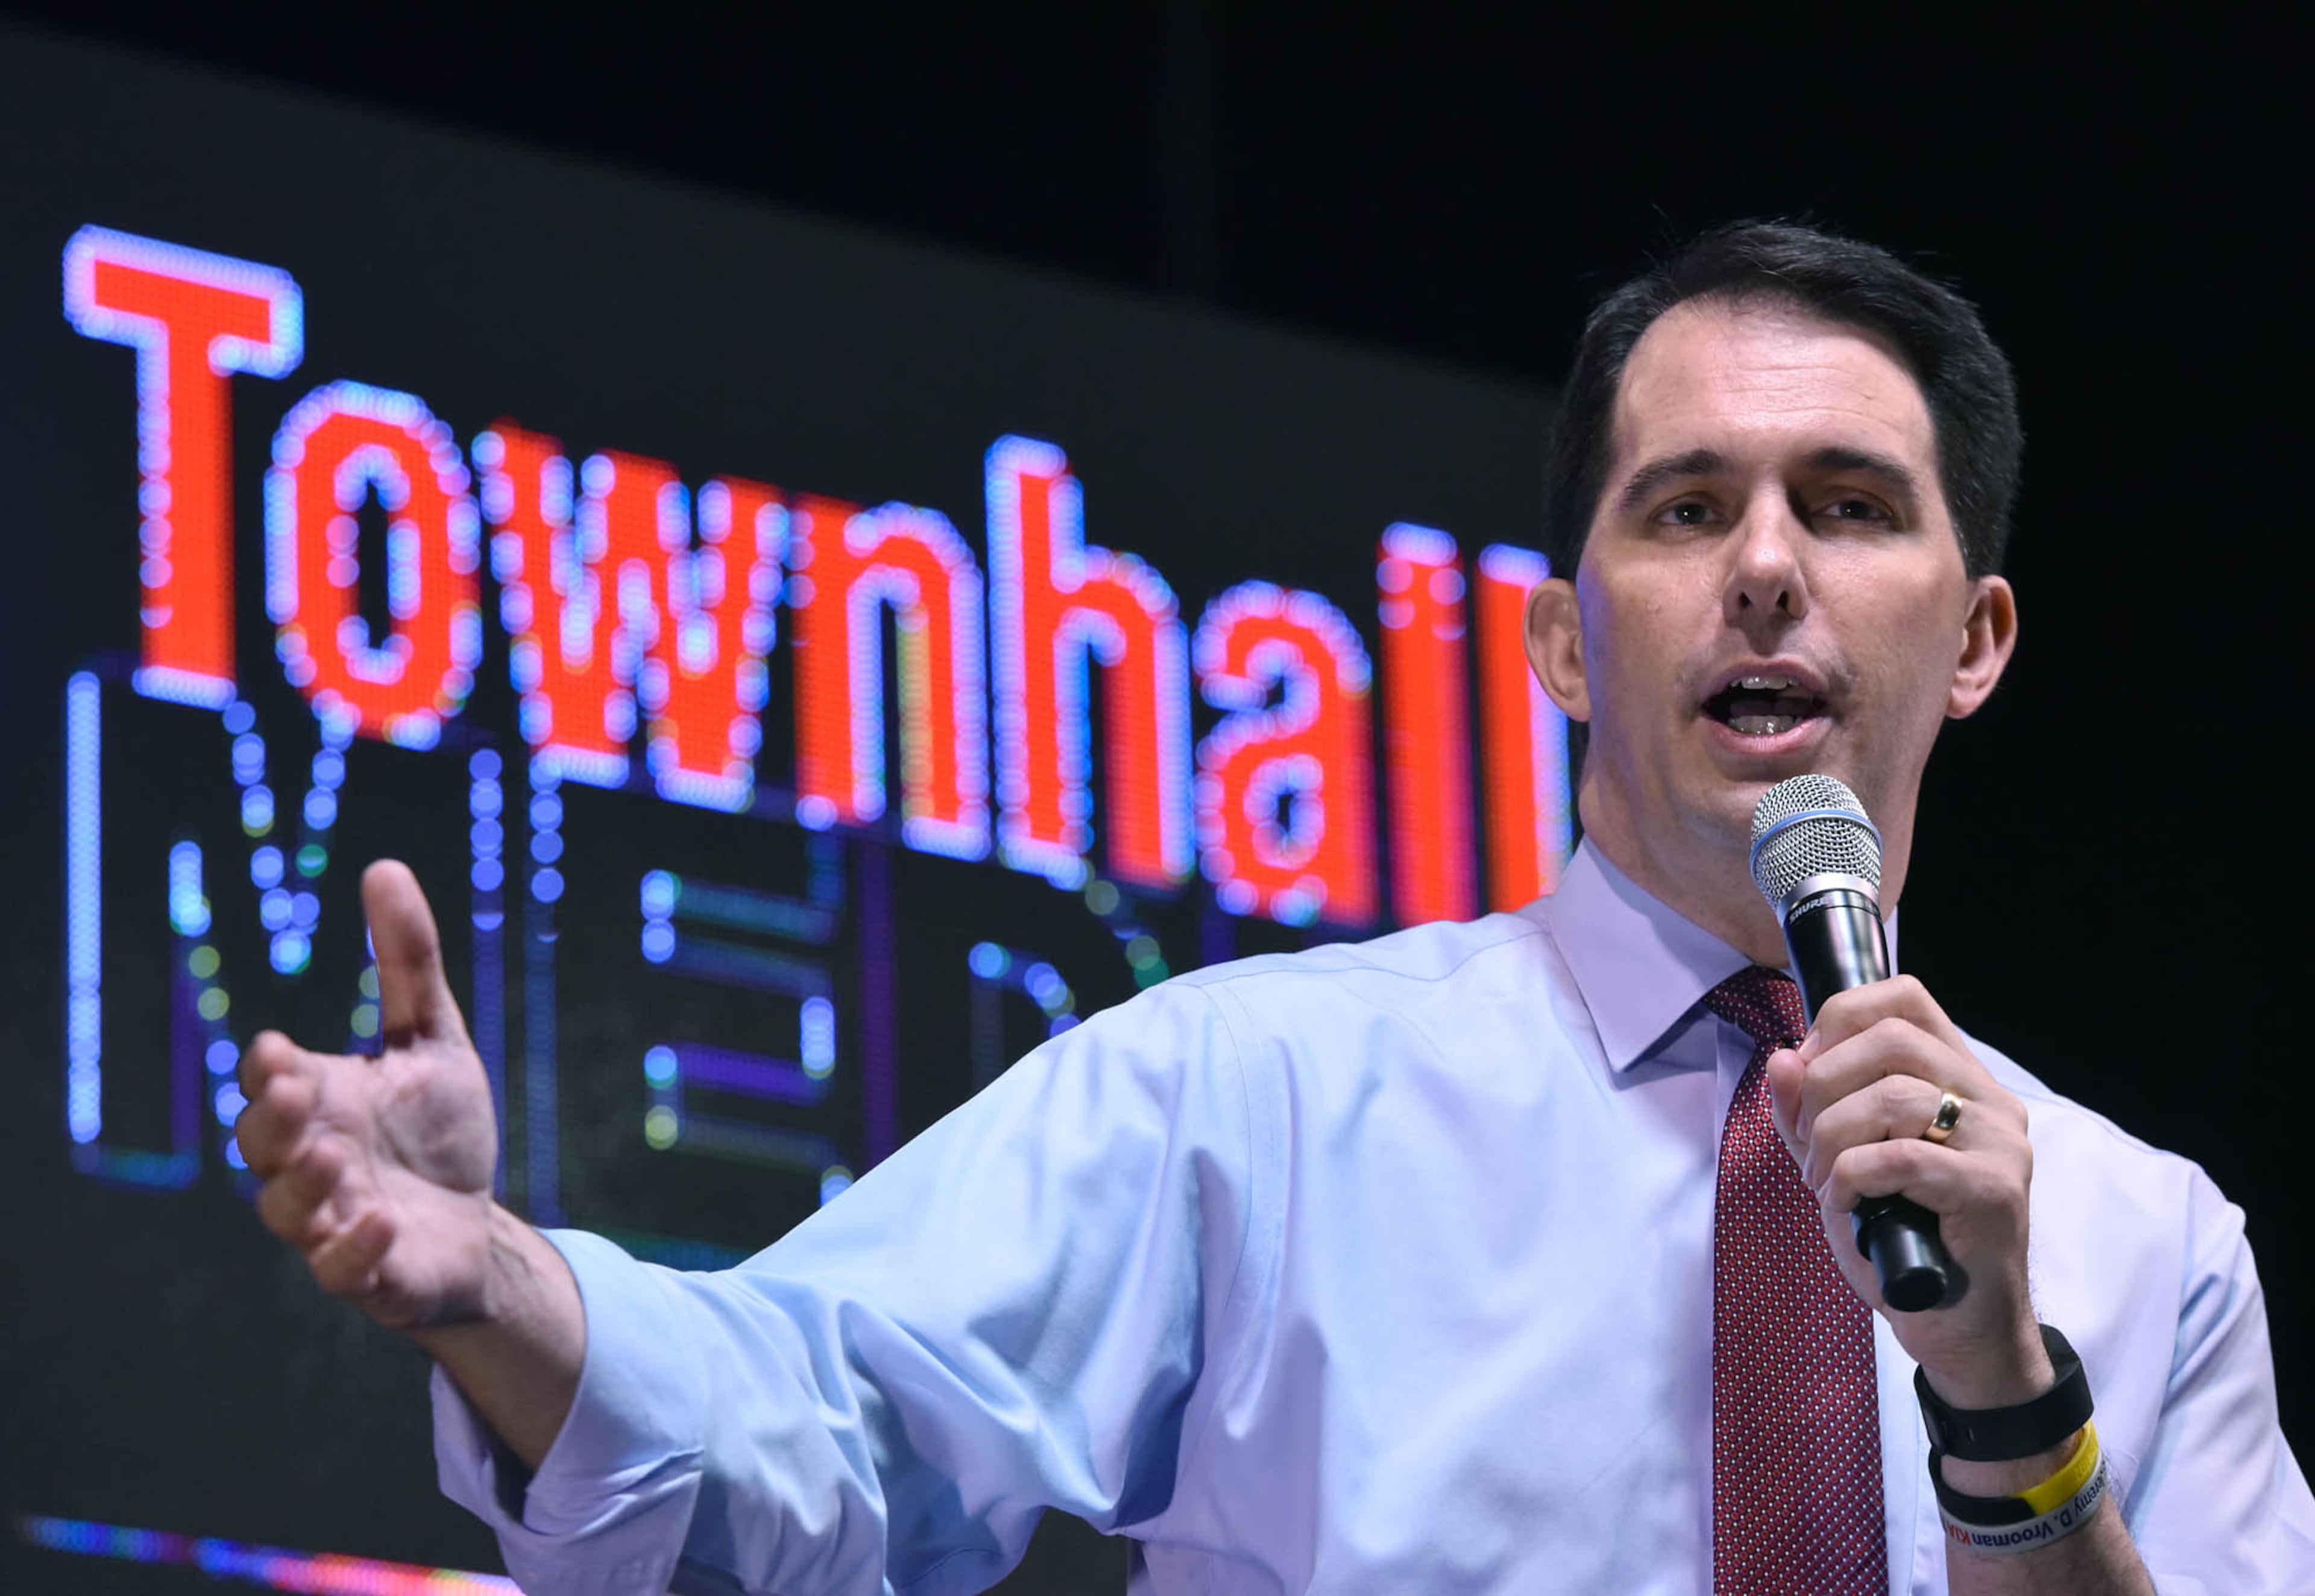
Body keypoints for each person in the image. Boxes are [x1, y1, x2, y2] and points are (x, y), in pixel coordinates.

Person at [235, 222, 2315, 1594]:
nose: (1766, 567)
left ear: (1978, 639)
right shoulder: (1261, 1097)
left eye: (1849, 508)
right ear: (1565, 642)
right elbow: (825, 1420)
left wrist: (2002, 1391)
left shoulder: (2147, 1245)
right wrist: (497, 1281)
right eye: (1687, 509)